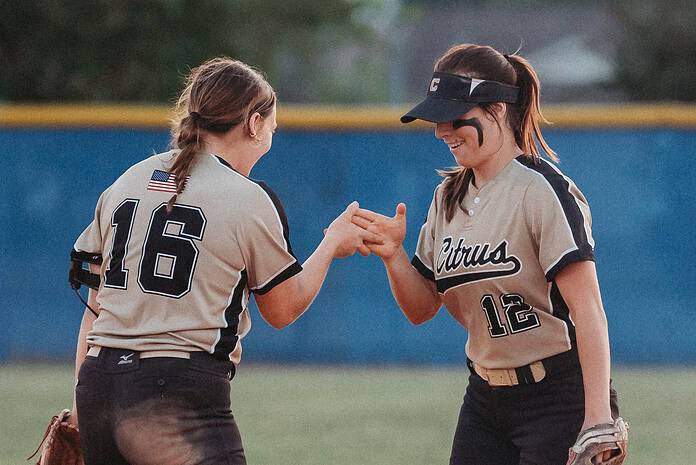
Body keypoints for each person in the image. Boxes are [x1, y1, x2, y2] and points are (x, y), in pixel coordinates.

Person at [68, 57, 379, 465]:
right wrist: (331, 243)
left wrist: (80, 400)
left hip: (97, 385)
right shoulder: (249, 198)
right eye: (270, 120)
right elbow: (282, 309)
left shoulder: (127, 180)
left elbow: (95, 307)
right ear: (253, 124)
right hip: (177, 391)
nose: (273, 129)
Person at [352, 44, 623, 465]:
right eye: (437, 120)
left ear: (497, 108)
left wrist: (597, 418)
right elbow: (422, 307)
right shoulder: (447, 197)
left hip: (557, 394)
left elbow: (588, 310)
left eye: (455, 117)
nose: (442, 131)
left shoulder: (542, 190)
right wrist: (393, 256)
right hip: (485, 398)